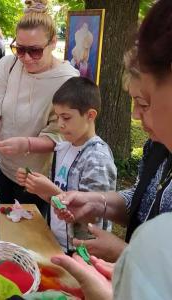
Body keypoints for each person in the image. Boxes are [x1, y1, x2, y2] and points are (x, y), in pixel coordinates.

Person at [51, 1, 172, 299]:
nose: (134, 115)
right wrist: (100, 202)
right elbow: (143, 199)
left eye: (144, 103)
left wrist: (125, 255)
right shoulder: (159, 147)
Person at [0, 0, 79, 213]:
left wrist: (26, 144)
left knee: (30, 235)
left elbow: (62, 136)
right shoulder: (8, 65)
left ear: (53, 42)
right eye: (19, 49)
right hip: (2, 166)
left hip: (38, 177)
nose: (25, 58)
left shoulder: (68, 80)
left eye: (34, 51)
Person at [16, 77, 116, 252]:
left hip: (83, 254)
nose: (60, 125)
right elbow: (57, 199)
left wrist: (51, 190)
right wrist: (36, 185)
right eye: (58, 117)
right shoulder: (64, 148)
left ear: (90, 115)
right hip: (57, 244)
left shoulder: (97, 158)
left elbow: (93, 217)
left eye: (67, 117)